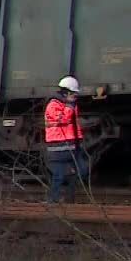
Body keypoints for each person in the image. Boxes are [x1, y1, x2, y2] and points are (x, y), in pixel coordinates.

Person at [45, 75, 89, 203]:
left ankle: (68, 198)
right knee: (58, 176)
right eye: (73, 93)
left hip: (71, 145)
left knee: (82, 170)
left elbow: (73, 125)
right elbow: (63, 119)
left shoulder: (70, 105)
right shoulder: (53, 105)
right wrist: (69, 105)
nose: (76, 96)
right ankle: (54, 200)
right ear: (66, 92)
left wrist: (79, 139)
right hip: (58, 146)